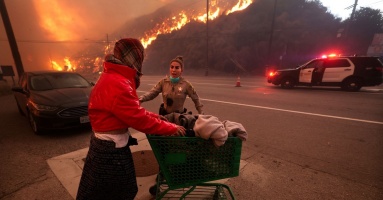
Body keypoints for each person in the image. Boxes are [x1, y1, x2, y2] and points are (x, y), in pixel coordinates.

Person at [76, 38, 186, 200]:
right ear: (135, 57)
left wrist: (158, 117)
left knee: (100, 191)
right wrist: (171, 128)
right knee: (121, 191)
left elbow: (133, 111)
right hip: (110, 151)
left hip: (104, 145)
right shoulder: (119, 83)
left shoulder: (112, 76)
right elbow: (138, 119)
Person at [139, 56, 204, 115]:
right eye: (172, 67)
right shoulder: (163, 82)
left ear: (181, 70)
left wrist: (201, 114)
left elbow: (196, 99)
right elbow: (152, 93)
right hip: (165, 116)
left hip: (179, 117)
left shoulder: (186, 85)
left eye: (177, 68)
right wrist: (141, 99)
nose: (174, 70)